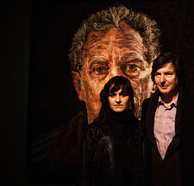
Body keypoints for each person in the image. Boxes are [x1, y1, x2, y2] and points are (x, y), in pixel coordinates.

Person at [30, 6, 160, 184]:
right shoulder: (46, 156)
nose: (115, 81)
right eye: (99, 69)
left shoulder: (157, 138)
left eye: (132, 67)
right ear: (79, 85)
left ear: (152, 81)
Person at [141, 53, 194, 185]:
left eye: (168, 74)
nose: (162, 80)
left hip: (184, 178)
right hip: (155, 179)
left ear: (178, 76)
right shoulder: (147, 105)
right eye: (158, 74)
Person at [83, 76, 143, 186]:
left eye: (123, 95)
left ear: (129, 98)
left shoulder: (139, 129)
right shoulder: (93, 131)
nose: (118, 100)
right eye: (113, 95)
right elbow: (85, 173)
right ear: (107, 98)